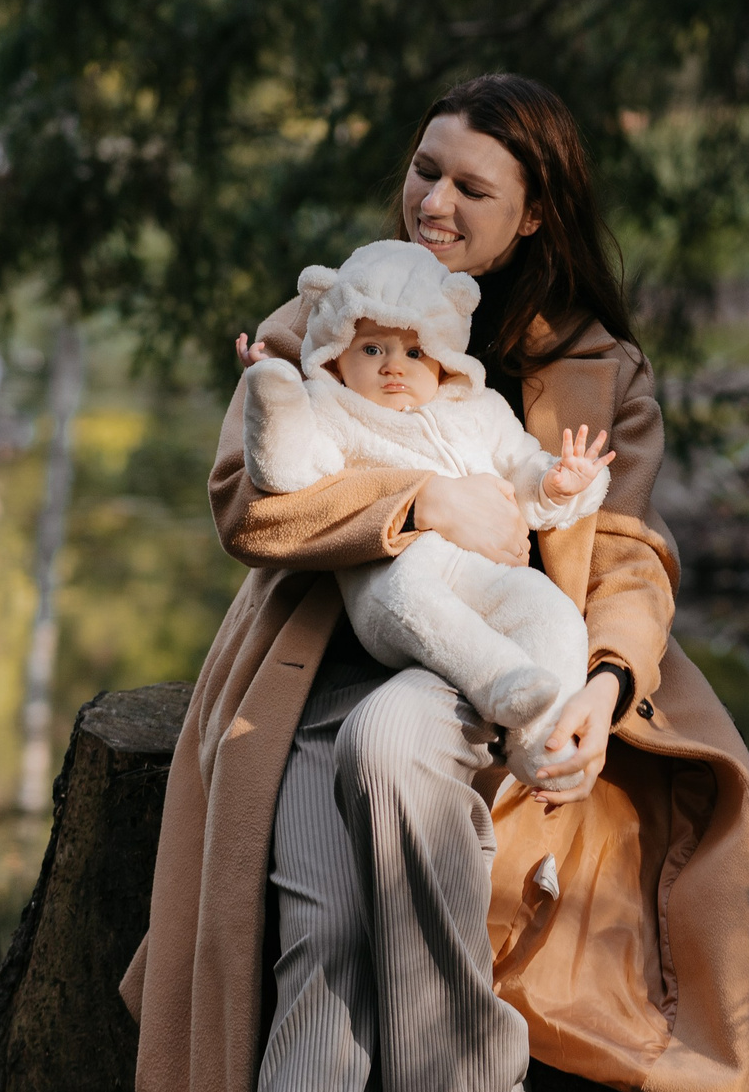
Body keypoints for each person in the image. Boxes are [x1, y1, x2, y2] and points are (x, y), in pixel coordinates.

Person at [120, 74, 749, 1092]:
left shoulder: (594, 365)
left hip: (508, 680)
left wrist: (603, 682)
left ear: (535, 215)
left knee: (401, 744)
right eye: (425, 169)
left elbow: (629, 556)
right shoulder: (333, 311)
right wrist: (424, 501)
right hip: (319, 673)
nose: (435, 199)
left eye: (473, 184)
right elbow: (249, 505)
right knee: (323, 934)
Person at [238, 238, 615, 781]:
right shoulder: (334, 411)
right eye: (372, 350)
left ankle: (542, 748)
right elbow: (286, 473)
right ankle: (498, 680)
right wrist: (273, 397)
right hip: (394, 581)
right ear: (336, 354)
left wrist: (557, 484)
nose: (394, 367)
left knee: (553, 615)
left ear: (443, 357)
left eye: (414, 353)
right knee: (415, 597)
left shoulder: (477, 409)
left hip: (485, 576)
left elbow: (522, 471)